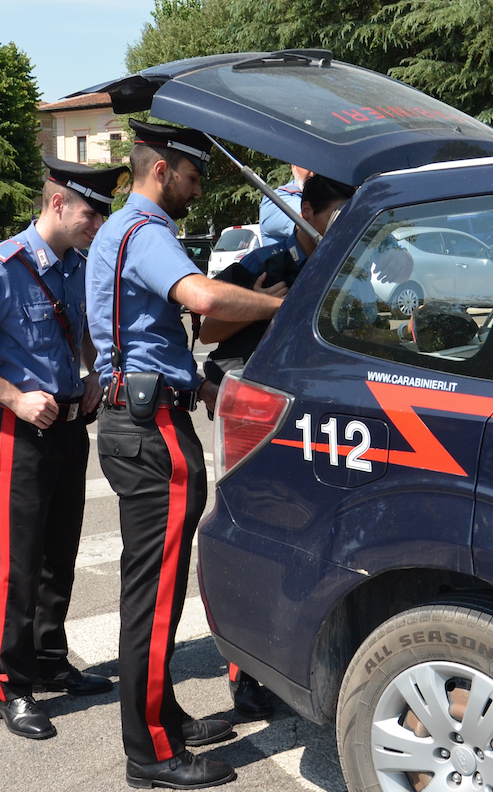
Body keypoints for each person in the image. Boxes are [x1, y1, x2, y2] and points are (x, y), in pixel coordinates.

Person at [86, 119, 285, 790]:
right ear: (162, 169)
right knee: (153, 593)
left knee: (155, 590)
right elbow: (199, 299)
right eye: (194, 178)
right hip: (149, 432)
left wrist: (194, 381)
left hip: (143, 414)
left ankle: (163, 718)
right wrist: (276, 306)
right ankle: (150, 755)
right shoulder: (144, 233)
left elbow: (141, 337)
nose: (197, 193)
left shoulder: (126, 231)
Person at [0, 155, 129, 741]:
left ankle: (49, 658)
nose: (97, 227)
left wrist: (96, 374)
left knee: (59, 550)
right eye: (91, 215)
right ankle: (13, 683)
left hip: (71, 424)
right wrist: (14, 398)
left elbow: (88, 335)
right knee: (19, 562)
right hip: (22, 430)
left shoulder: (76, 265)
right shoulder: (4, 267)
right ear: (57, 204)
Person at [199, 175, 358, 718]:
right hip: (259, 418)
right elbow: (208, 329)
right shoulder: (266, 260)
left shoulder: (355, 262)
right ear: (306, 212)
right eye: (336, 215)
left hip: (326, 419)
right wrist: (270, 302)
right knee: (260, 533)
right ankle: (250, 676)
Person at [258, 164, 312, 246]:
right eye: (309, 163)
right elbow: (310, 221)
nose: (313, 172)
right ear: (293, 168)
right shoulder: (274, 200)